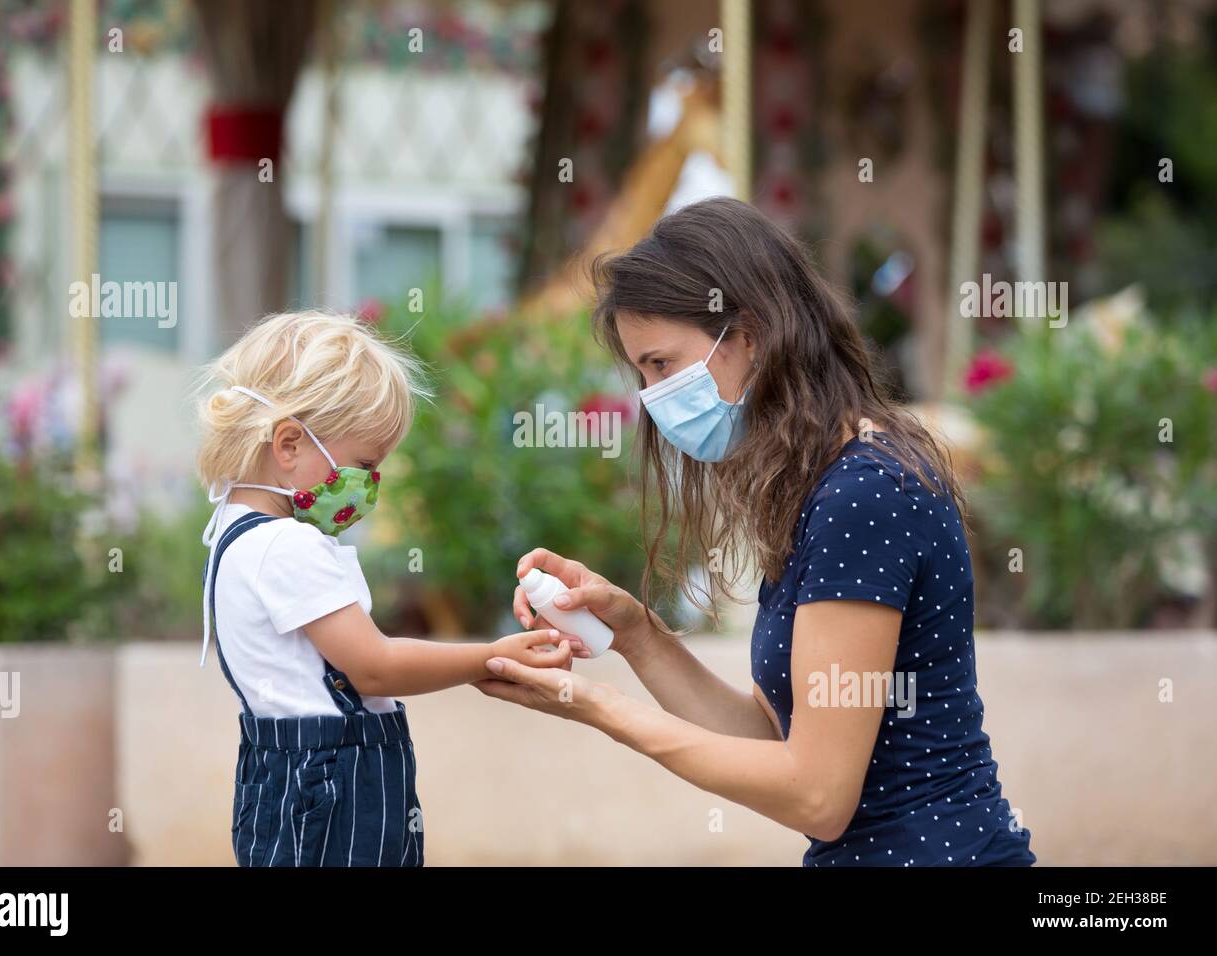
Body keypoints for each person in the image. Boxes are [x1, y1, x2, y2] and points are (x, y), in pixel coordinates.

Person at [478, 198, 1036, 866]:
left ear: (751, 335)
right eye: (641, 373)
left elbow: (819, 795)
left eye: (661, 363)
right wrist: (636, 634)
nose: (653, 396)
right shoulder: (822, 484)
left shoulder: (863, 494)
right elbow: (778, 745)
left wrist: (597, 708)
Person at [195, 310, 577, 867]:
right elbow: (373, 667)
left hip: (284, 783)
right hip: (331, 792)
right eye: (365, 464)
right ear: (289, 445)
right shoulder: (287, 547)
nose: (370, 485)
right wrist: (489, 659)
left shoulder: (232, 535)